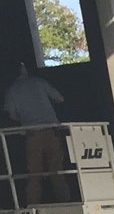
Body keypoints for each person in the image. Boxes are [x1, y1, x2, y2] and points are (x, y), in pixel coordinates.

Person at [4, 62, 68, 205]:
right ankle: (64, 200)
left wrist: (26, 117)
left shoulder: (12, 90)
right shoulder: (38, 82)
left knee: (34, 172)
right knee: (57, 170)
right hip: (51, 131)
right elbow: (59, 98)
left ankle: (33, 203)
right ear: (23, 69)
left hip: (32, 134)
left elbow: (12, 115)